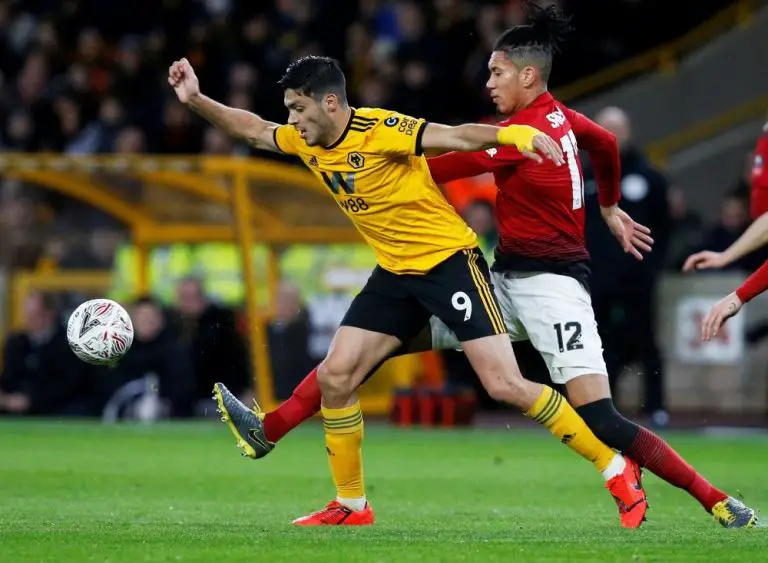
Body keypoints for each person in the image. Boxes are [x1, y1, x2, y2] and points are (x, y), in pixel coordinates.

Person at [207, 4, 757, 529]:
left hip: (550, 288)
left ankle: (704, 496)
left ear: (527, 75)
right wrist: (609, 205)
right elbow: (606, 142)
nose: (488, 82)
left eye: (496, 73)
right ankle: (287, 445)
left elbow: (450, 158)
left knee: (590, 415)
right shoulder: (563, 118)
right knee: (345, 367)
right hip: (499, 280)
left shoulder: (524, 137)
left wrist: (383, 165)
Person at [169, 53, 647, 527]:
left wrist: (510, 134)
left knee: (504, 384)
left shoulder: (380, 128)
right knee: (336, 376)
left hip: (449, 264)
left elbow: (455, 136)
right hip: (395, 274)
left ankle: (614, 467)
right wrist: (195, 100)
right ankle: (351, 504)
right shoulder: (305, 139)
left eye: (298, 108)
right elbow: (254, 129)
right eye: (289, 110)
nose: (291, 120)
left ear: (330, 103)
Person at [585, 106, 671, 427]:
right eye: (605, 128)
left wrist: (652, 265)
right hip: (595, 277)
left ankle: (657, 409)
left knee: (647, 342)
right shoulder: (584, 175)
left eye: (617, 129)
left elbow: (665, 225)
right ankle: (603, 409)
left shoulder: (649, 176)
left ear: (629, 132)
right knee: (597, 345)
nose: (612, 135)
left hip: (637, 278)